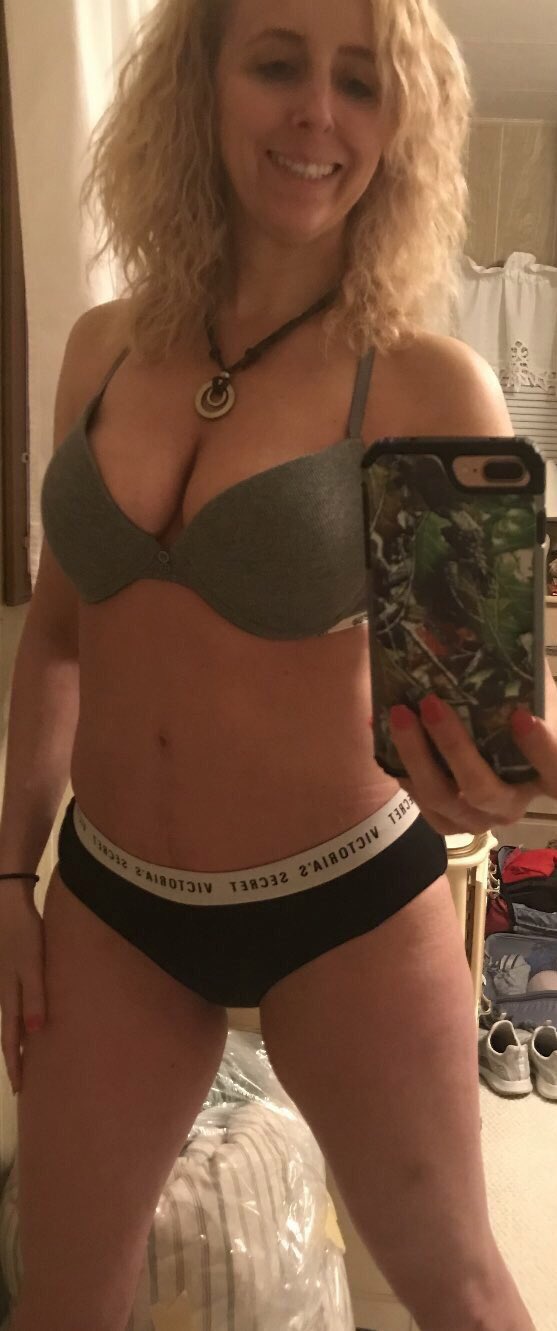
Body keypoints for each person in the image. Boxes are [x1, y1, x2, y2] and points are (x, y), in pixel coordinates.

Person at [0, 1, 555, 1328]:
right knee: (61, 1298)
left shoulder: (424, 384)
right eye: (276, 64)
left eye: (361, 82)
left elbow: (498, 696)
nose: (318, 113)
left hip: (343, 906)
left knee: (457, 1289)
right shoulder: (101, 349)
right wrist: (10, 873)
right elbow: (61, 636)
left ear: (399, 128)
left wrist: (516, 781)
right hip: (113, 902)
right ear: (200, 84)